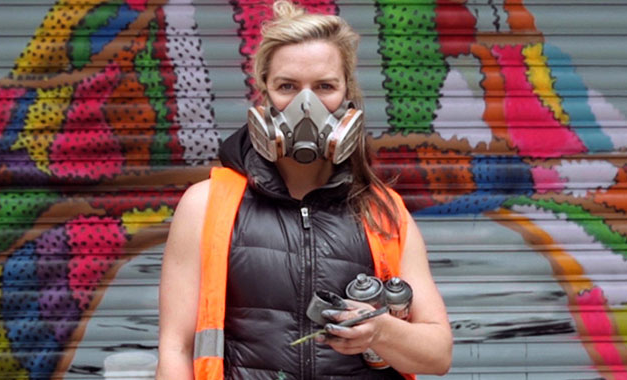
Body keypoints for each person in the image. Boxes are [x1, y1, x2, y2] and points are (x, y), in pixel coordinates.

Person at [156, 1, 452, 378]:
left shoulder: (383, 211)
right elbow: (176, 349)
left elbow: (438, 355)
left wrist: (381, 331)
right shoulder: (206, 205)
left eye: (325, 87)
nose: (306, 105)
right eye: (287, 86)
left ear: (348, 94)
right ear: (264, 93)